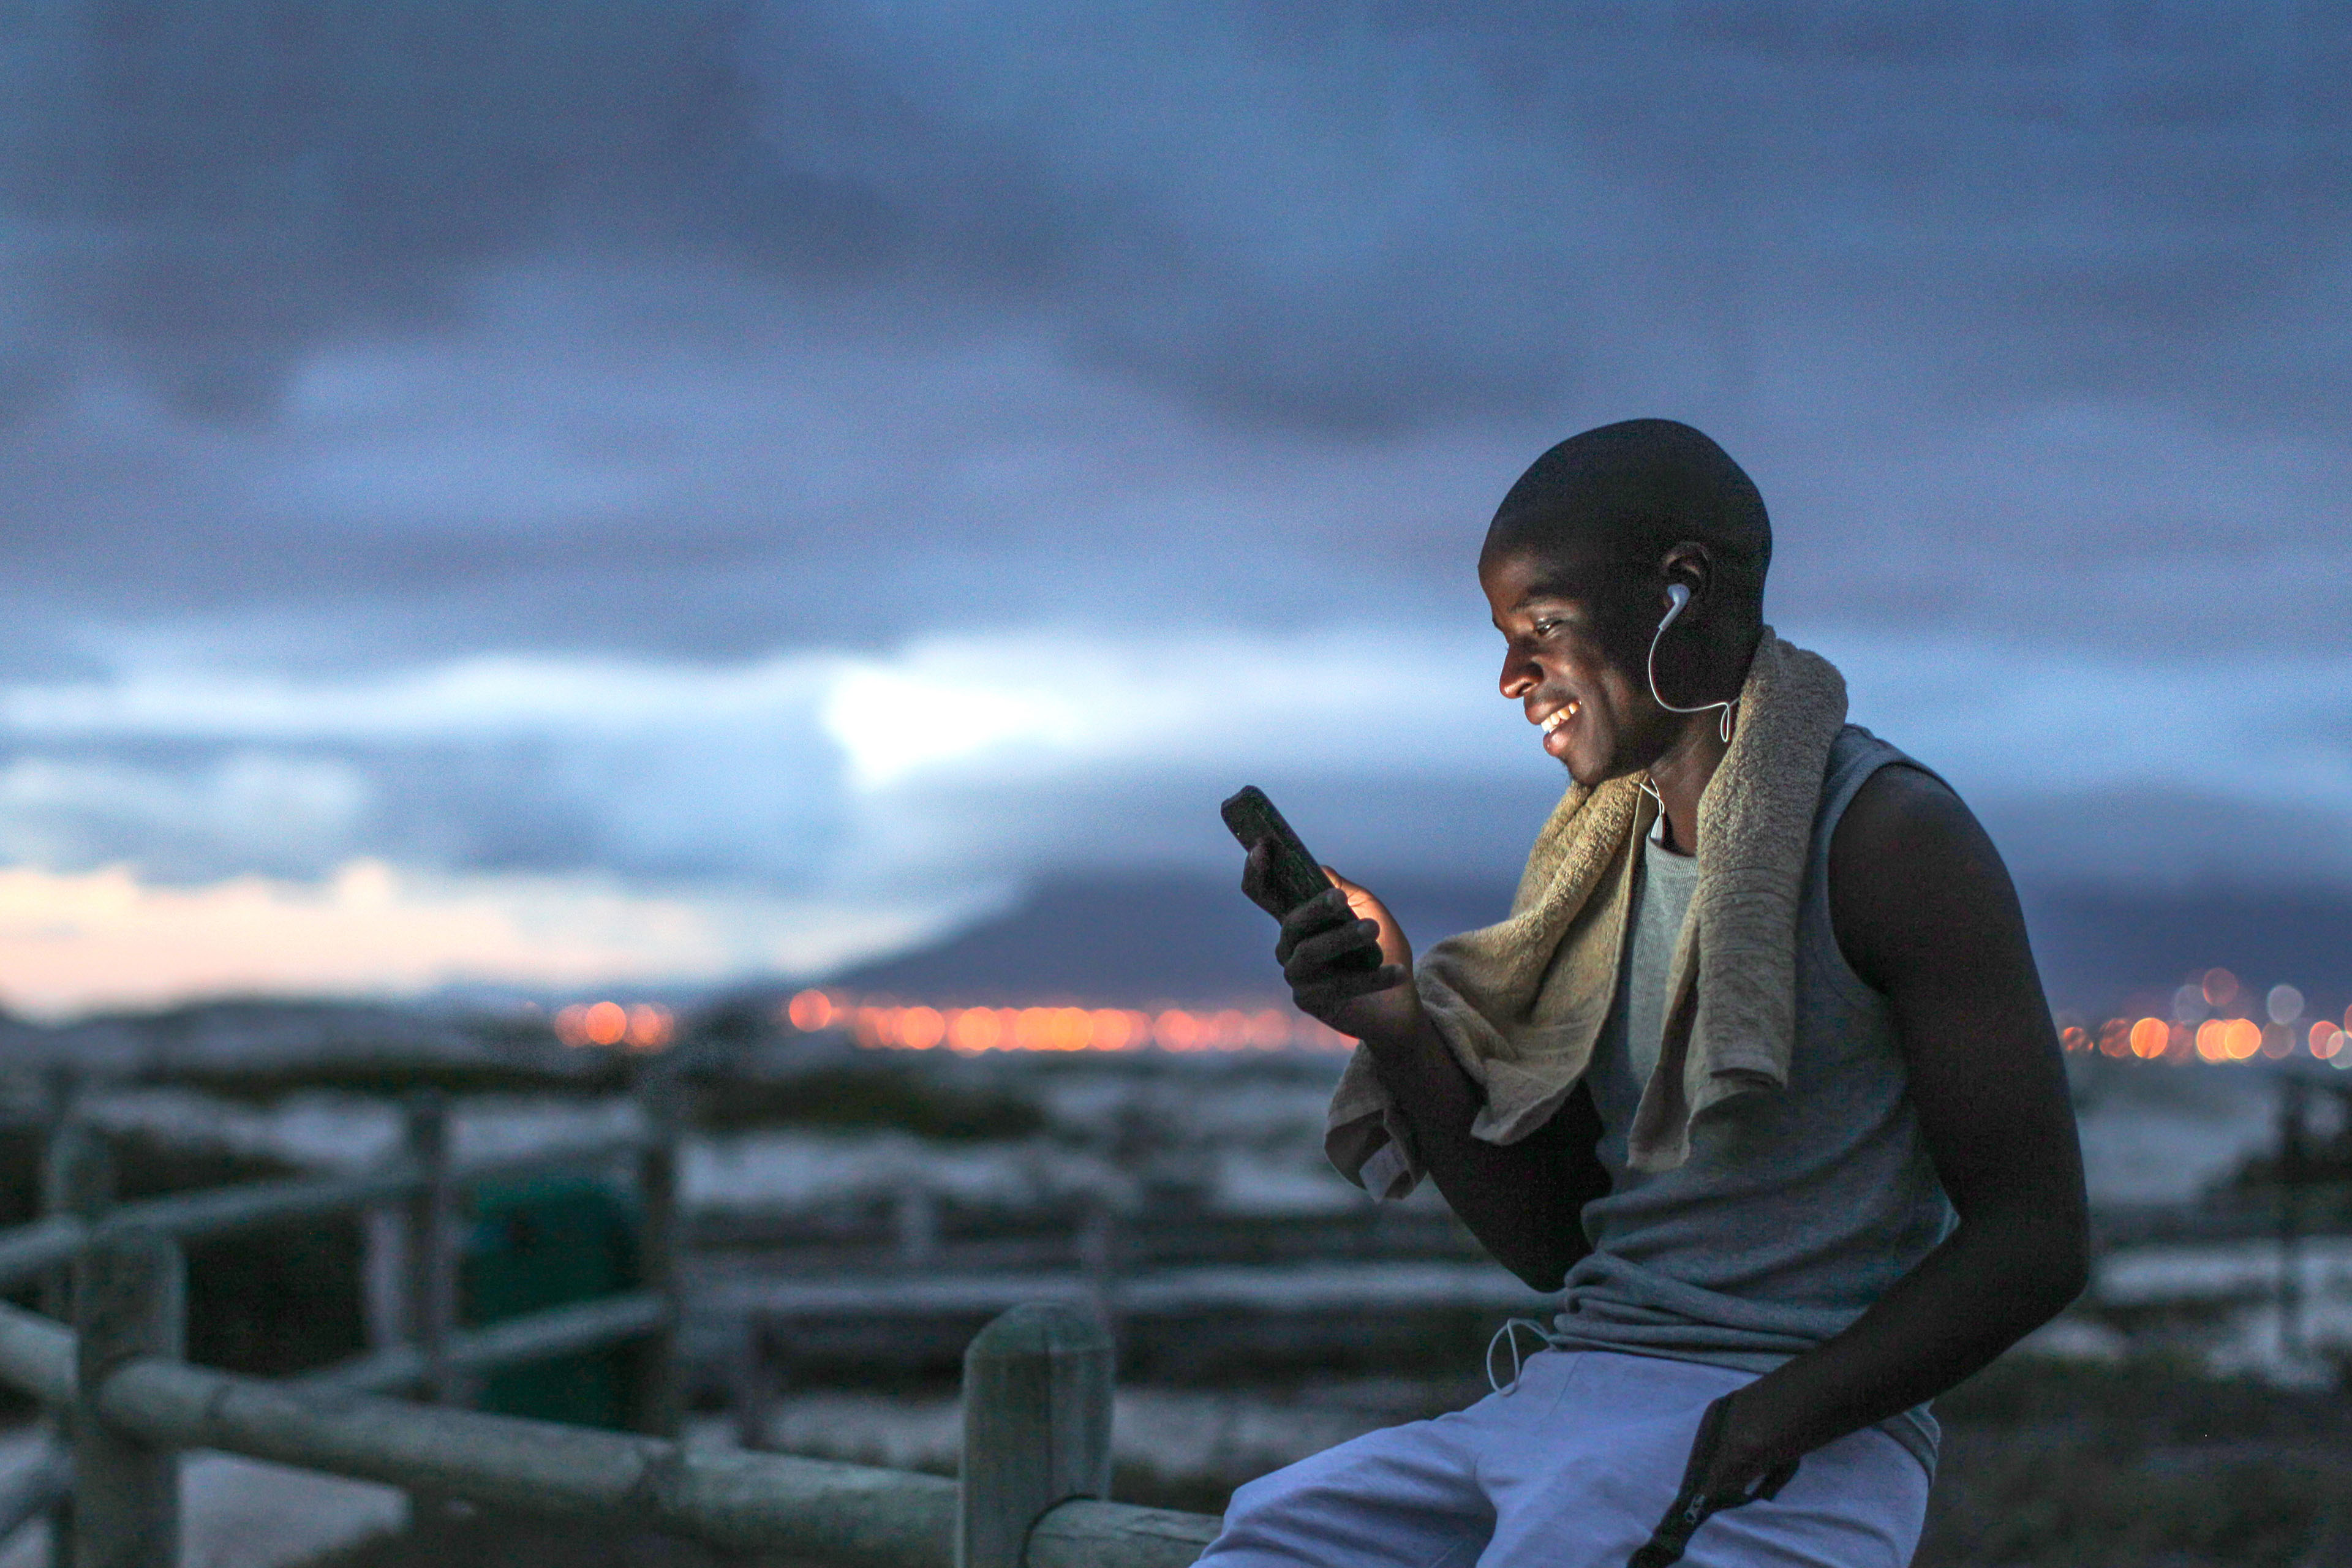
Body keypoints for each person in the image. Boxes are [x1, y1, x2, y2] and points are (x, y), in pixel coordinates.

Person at [1212, 419, 2088, 1567]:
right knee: (1273, 1534)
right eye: (1506, 640)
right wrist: (1400, 1029)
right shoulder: (1600, 863)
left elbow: (2037, 1241)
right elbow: (1559, 1248)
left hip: (1800, 1438)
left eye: (1545, 631)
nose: (1513, 678)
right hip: (1572, 1398)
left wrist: (1759, 1427)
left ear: (1679, 594)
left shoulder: (1887, 840)